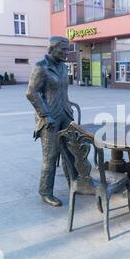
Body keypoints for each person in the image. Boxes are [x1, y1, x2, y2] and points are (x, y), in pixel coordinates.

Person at [26, 36, 75, 207]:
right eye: (64, 49)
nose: (67, 53)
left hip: (66, 116)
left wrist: (68, 109)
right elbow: (32, 93)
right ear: (52, 49)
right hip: (50, 119)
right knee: (50, 156)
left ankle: (75, 184)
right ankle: (45, 192)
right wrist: (45, 115)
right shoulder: (41, 67)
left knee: (71, 152)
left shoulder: (62, 67)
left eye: (68, 49)